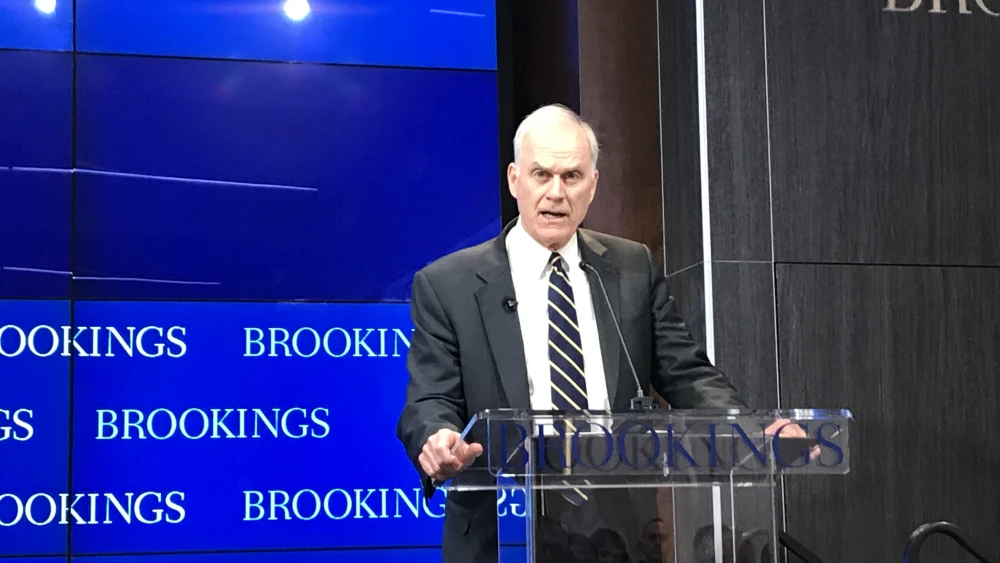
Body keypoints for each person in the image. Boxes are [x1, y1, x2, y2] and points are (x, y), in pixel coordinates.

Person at [396, 104, 804, 562]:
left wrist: (746, 428)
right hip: (502, 530)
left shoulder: (631, 267)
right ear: (514, 180)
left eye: (571, 176)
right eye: (540, 174)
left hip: (618, 531)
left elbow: (684, 372)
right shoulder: (448, 283)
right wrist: (437, 437)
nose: (555, 193)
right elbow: (430, 400)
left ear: (593, 185)